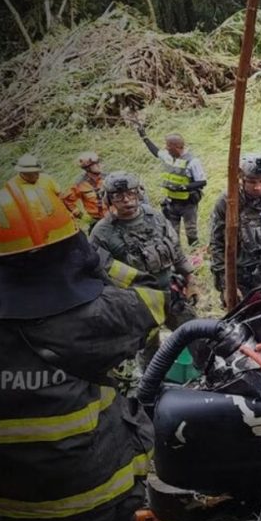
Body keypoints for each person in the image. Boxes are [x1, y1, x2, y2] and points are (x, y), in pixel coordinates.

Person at [0, 179, 166, 521]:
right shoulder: (100, 315)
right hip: (95, 499)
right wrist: (94, 260)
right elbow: (153, 297)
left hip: (3, 507)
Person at [89, 171, 198, 368]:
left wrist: (190, 279)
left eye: (131, 193)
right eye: (118, 196)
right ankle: (152, 392)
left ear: (139, 193)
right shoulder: (102, 233)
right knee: (150, 352)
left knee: (196, 335)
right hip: (137, 303)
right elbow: (97, 274)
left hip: (170, 293)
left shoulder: (154, 216)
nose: (127, 200)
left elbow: (175, 248)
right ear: (108, 198)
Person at [208, 153, 261, 306]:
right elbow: (217, 244)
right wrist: (227, 285)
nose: (257, 187)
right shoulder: (228, 201)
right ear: (241, 180)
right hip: (245, 276)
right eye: (252, 182)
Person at [135, 125, 207, 246]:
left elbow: (202, 182)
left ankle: (196, 256)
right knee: (172, 234)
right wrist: (144, 137)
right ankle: (177, 256)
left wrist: (183, 188)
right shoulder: (168, 157)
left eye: (169, 145)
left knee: (191, 232)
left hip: (188, 203)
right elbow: (156, 152)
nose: (166, 148)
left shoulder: (193, 161)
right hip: (171, 203)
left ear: (178, 147)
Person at [62, 151, 109, 230]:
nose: (100, 165)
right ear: (87, 168)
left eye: (99, 162)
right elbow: (67, 201)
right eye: (96, 163)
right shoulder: (79, 184)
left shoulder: (108, 178)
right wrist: (83, 217)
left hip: (114, 217)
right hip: (96, 222)